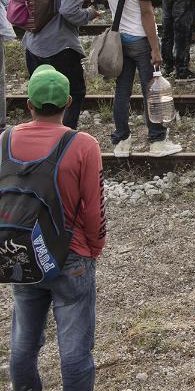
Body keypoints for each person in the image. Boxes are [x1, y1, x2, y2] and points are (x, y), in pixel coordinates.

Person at [5, 64, 106, 391]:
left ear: (29, 105)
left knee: (23, 343)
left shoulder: (4, 141)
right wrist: (93, 248)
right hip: (71, 255)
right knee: (75, 350)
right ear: (68, 103)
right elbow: (94, 208)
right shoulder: (83, 145)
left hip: (22, 250)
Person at [102, 0, 183, 157]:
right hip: (140, 38)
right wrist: (155, 48)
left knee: (122, 90)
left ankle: (121, 141)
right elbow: (146, 12)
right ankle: (157, 141)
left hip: (120, 38)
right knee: (151, 91)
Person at [23, 0, 102, 129]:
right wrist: (89, 14)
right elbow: (68, 11)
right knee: (73, 93)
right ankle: (63, 139)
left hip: (34, 44)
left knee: (42, 98)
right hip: (59, 47)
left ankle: (44, 139)